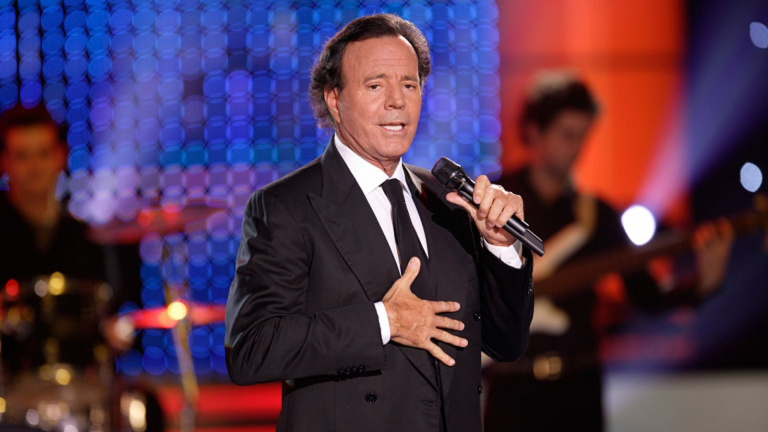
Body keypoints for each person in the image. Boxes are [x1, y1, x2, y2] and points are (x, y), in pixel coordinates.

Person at [225, 14, 534, 432]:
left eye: (409, 84)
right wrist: (384, 321)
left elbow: (506, 344)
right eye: (375, 86)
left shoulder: (447, 200)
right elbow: (251, 349)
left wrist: (500, 247)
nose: (397, 101)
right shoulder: (286, 206)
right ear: (335, 100)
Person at [483, 71, 734, 431]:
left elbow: (646, 296)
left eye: (583, 136)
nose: (577, 148)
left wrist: (705, 283)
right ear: (534, 132)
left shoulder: (597, 215)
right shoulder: (492, 203)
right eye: (567, 135)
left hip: (579, 388)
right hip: (512, 389)